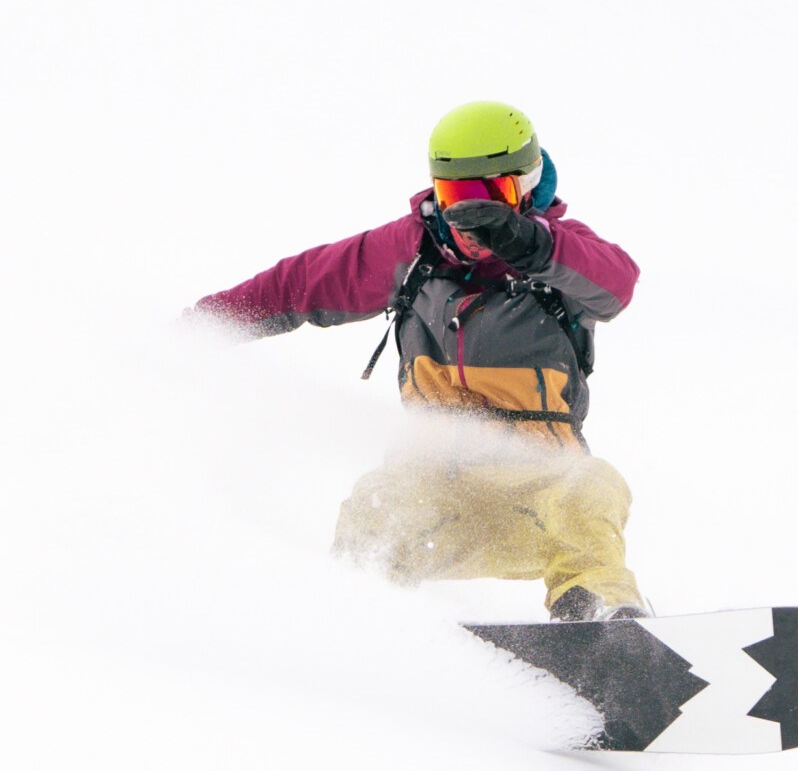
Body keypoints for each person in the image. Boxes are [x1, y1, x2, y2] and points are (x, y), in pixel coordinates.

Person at [189, 100, 649, 621]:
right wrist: (196, 331)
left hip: (538, 497)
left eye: (491, 196)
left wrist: (533, 246)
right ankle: (356, 613)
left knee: (593, 488)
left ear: (526, 185)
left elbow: (618, 283)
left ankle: (597, 615)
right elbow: (297, 284)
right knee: (377, 501)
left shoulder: (561, 258)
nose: (471, 217)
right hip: (438, 496)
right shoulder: (413, 253)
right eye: (455, 195)